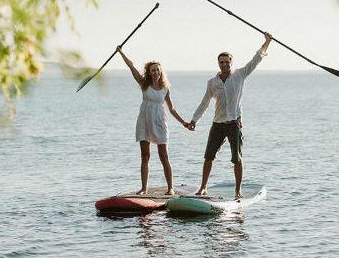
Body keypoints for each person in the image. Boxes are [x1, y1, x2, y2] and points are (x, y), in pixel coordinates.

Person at [189, 33, 272, 199]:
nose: (224, 64)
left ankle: (238, 190)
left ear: (231, 63)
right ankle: (203, 187)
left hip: (234, 123)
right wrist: (193, 121)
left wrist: (267, 42)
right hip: (218, 123)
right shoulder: (212, 82)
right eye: (221, 62)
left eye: (227, 62)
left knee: (237, 158)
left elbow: (256, 59)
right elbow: (204, 103)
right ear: (218, 64)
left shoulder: (240, 74)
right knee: (208, 156)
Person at [117, 46, 193, 195]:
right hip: (144, 121)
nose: (156, 72)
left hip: (159, 122)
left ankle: (170, 188)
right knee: (145, 156)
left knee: (163, 155)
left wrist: (184, 123)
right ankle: (144, 189)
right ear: (149, 72)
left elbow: (171, 109)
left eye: (158, 69)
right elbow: (131, 66)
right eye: (153, 70)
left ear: (161, 71)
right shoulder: (144, 84)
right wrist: (121, 52)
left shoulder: (165, 88)